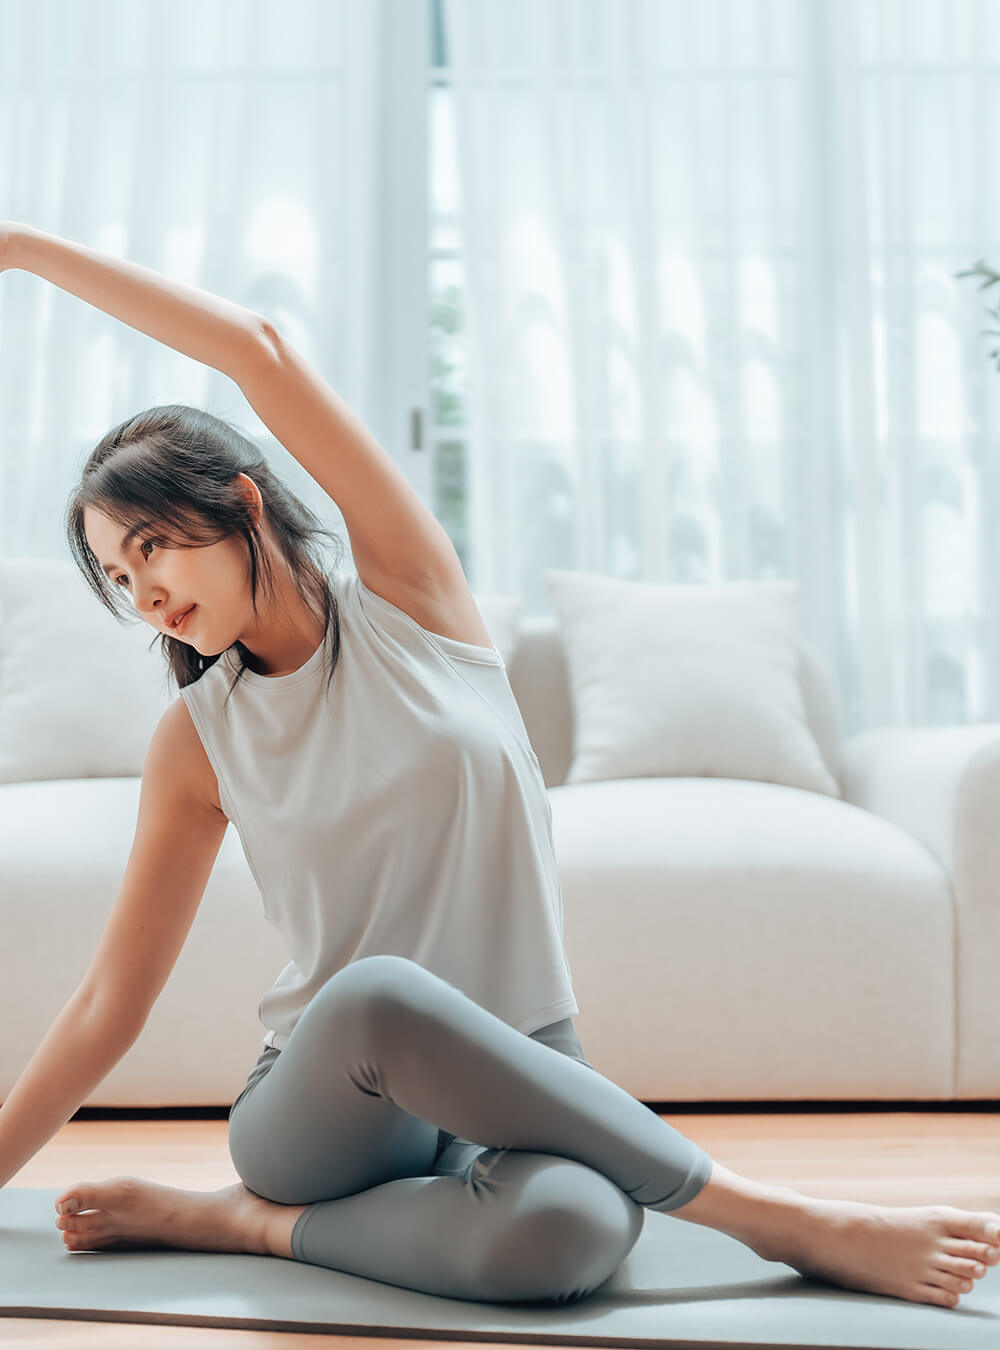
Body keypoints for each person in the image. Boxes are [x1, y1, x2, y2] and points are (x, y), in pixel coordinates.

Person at [2, 221, 999, 1311]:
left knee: (570, 1237)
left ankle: (249, 1226)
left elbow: (260, 352)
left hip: (517, 1053)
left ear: (240, 502)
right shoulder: (199, 738)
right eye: (115, 573)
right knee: (381, 992)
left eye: (152, 545)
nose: (142, 593)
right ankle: (793, 1221)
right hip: (330, 1105)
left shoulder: (413, 605)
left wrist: (24, 249)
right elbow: (109, 1000)